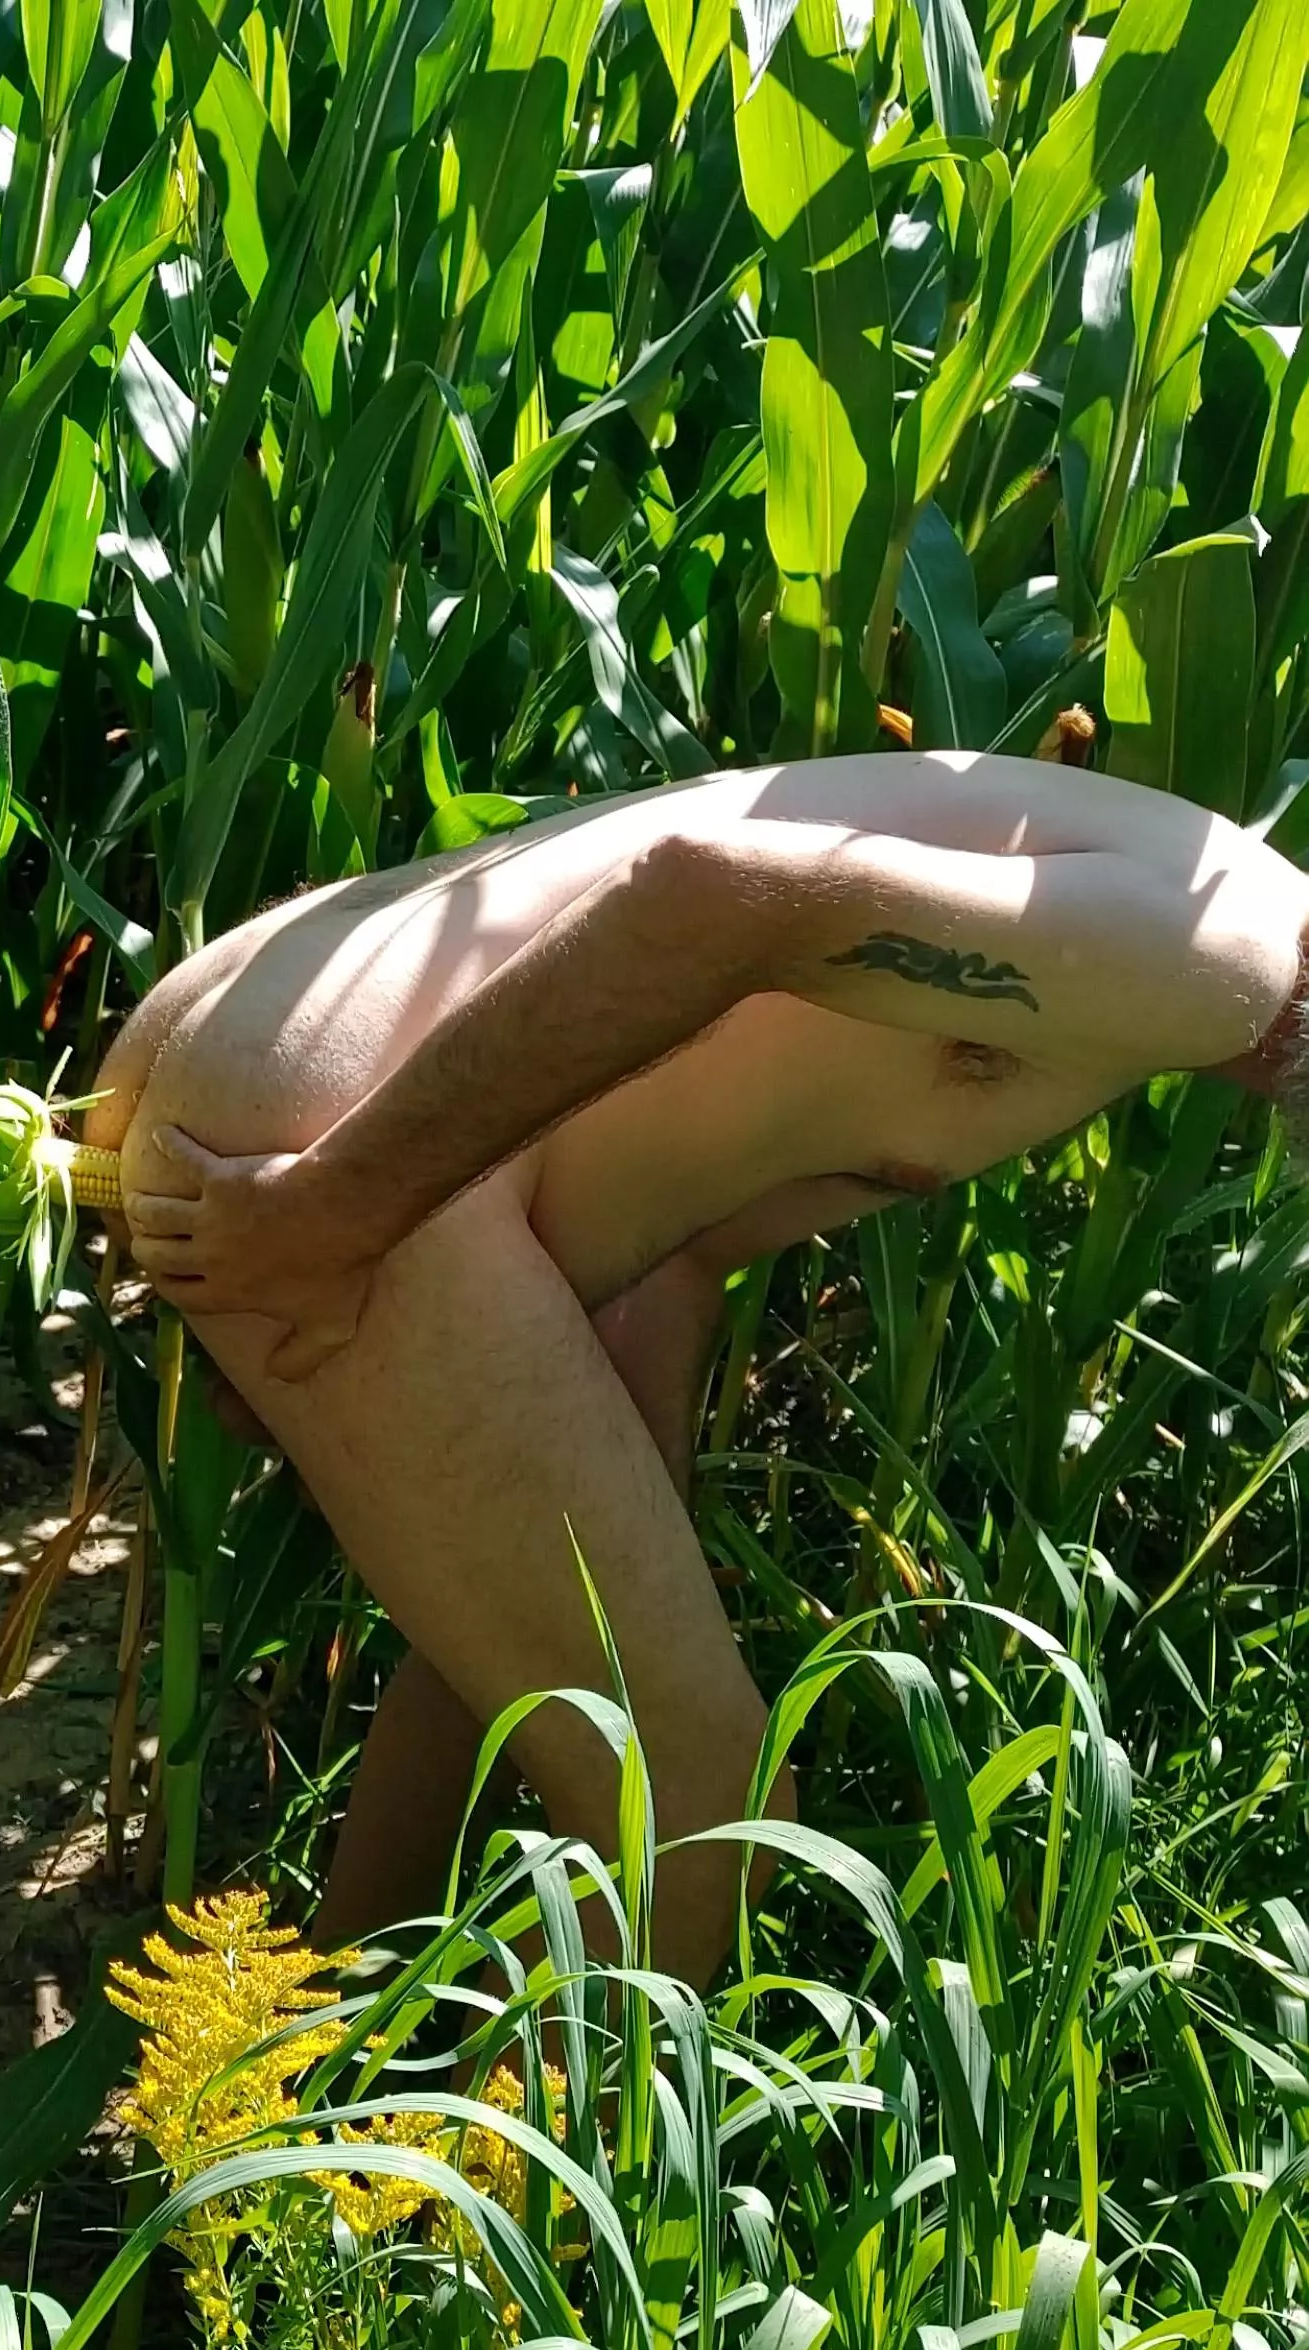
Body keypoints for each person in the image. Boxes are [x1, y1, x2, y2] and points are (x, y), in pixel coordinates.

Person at [82, 750, 1309, 1979]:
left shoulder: (1177, 889)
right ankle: (513, 2173)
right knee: (698, 1795)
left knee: (534, 1676)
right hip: (339, 1140)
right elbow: (712, 894)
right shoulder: (1222, 961)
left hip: (279, 1048)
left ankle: (308, 2069)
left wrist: (613, 1471)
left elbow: (686, 1238)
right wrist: (339, 1215)